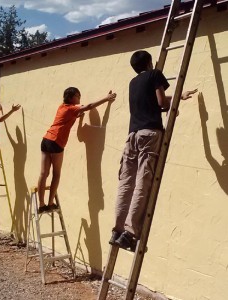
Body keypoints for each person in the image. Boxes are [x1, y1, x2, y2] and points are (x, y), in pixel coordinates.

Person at [109, 50, 197, 251]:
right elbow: (159, 102)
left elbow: (152, 99)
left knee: (126, 182)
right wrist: (171, 104)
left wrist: (178, 96)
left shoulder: (133, 82)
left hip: (132, 136)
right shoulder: (155, 73)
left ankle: (117, 230)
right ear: (149, 63)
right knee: (143, 180)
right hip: (150, 134)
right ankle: (130, 233)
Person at [37, 87, 117, 213]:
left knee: (43, 173)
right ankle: (51, 203)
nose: (79, 99)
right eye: (78, 96)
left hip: (46, 139)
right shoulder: (72, 108)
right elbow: (89, 106)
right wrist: (106, 99)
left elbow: (67, 119)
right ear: (71, 97)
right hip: (56, 142)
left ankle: (41, 205)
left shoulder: (62, 107)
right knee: (56, 173)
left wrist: (78, 118)